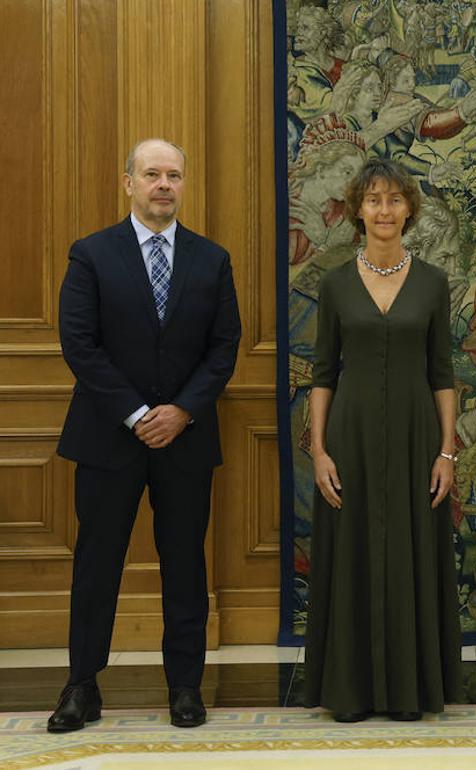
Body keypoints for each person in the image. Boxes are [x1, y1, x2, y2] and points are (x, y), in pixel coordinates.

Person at [49, 139, 242, 732]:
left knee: (184, 565)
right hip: (109, 437)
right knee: (97, 564)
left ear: (184, 185)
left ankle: (184, 685)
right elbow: (79, 344)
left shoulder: (212, 260)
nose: (164, 184)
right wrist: (137, 414)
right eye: (152, 174)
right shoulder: (92, 255)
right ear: (127, 181)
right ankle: (82, 685)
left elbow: (224, 346)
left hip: (185, 438)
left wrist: (180, 411)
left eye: (174, 175)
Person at [302, 158, 461, 723]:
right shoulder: (336, 282)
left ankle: (410, 690)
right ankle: (350, 689)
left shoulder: (434, 283)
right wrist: (319, 452)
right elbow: (323, 375)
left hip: (420, 438)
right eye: (374, 200)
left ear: (409, 210)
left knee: (413, 550)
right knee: (353, 553)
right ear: (357, 211)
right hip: (352, 439)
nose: (385, 210)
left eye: (394, 200)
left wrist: (447, 452)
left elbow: (443, 373)